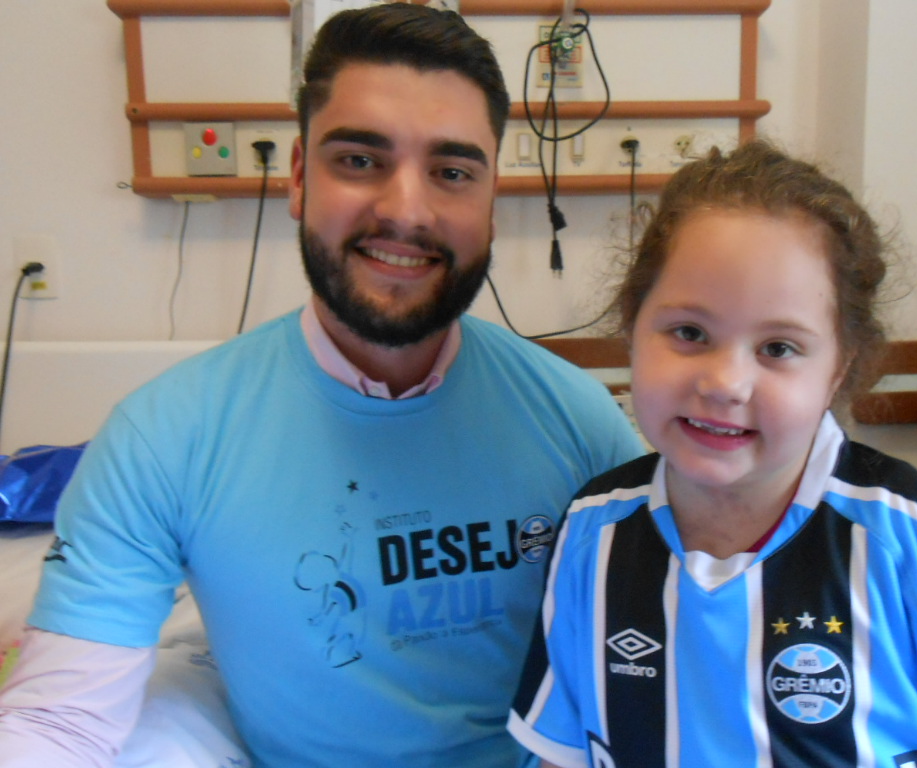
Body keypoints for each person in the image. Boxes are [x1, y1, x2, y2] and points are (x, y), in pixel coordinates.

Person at [0, 5, 643, 767]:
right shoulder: (166, 438)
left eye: (452, 171)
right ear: (300, 178)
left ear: (491, 200)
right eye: (361, 161)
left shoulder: (580, 425)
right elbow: (61, 723)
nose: (406, 210)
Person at [508, 140, 917, 767]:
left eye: (778, 348)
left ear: (840, 368)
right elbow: (561, 751)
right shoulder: (594, 533)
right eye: (689, 333)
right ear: (631, 327)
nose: (725, 382)